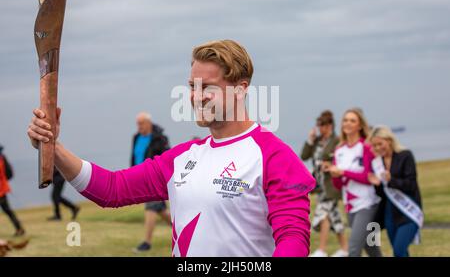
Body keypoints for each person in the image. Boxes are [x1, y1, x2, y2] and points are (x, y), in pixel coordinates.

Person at [27, 39, 316, 257]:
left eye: (208, 88)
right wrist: (55, 147)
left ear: (241, 89)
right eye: (192, 86)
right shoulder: (184, 157)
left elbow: (293, 239)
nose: (196, 97)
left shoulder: (274, 156)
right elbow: (112, 189)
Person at [323, 108, 382, 257]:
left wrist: (343, 172)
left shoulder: (366, 147)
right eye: (345, 120)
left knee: (354, 250)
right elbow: (338, 185)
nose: (348, 123)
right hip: (350, 206)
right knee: (372, 248)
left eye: (352, 120)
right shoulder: (339, 150)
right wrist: (334, 174)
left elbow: (368, 178)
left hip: (367, 204)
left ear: (360, 126)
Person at [368, 126, 423, 257]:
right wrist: (377, 185)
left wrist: (391, 180)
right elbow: (382, 194)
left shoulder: (405, 155)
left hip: (408, 211)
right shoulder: (377, 162)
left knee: (398, 251)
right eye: (374, 145)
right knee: (401, 252)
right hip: (390, 213)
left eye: (380, 144)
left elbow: (411, 184)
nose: (377, 148)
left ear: (389, 140)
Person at [300, 110, 347, 257]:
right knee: (334, 217)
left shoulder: (337, 141)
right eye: (319, 125)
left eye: (323, 125)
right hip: (319, 185)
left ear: (330, 125)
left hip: (331, 186)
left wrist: (330, 164)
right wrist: (310, 140)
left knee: (323, 215)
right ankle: (345, 249)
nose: (321, 128)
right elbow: (304, 156)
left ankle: (321, 250)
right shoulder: (317, 141)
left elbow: (342, 161)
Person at [131, 112, 172, 253]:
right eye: (137, 123)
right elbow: (134, 157)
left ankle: (146, 242)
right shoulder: (136, 137)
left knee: (151, 207)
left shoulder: (160, 138)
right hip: (139, 178)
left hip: (154, 179)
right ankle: (181, 229)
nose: (139, 126)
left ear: (148, 123)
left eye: (141, 123)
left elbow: (167, 158)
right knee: (161, 211)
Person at [0, 145, 25, 237]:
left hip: (1, 189)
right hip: (3, 188)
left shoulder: (2, 160)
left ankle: (19, 228)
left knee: (7, 210)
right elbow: (9, 174)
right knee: (8, 210)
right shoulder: (2, 158)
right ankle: (19, 228)